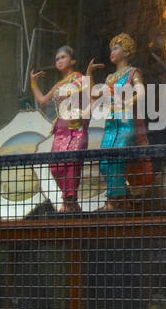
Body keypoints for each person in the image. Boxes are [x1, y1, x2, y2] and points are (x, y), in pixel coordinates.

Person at [88, 33, 146, 208]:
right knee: (105, 163)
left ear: (126, 51)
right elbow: (93, 94)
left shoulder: (132, 73)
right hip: (111, 123)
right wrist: (89, 73)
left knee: (117, 160)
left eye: (116, 47)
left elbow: (142, 92)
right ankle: (125, 199)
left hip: (125, 122)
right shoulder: (109, 78)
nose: (112, 52)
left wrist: (128, 102)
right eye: (111, 48)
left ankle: (113, 201)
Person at [30, 46, 90, 212]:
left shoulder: (80, 78)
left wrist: (85, 116)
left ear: (73, 60)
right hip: (60, 128)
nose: (59, 61)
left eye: (63, 57)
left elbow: (90, 99)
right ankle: (70, 201)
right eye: (57, 59)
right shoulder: (59, 84)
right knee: (56, 166)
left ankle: (69, 202)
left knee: (71, 162)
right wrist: (33, 83)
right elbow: (43, 101)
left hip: (75, 126)